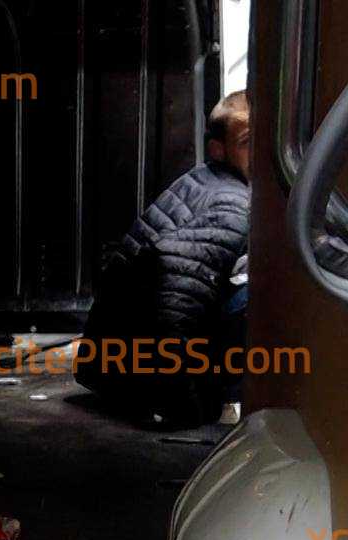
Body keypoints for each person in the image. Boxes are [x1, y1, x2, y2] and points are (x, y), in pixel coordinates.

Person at [76, 91, 251, 427]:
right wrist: (188, 408)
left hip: (113, 367)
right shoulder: (232, 204)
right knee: (267, 286)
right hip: (136, 380)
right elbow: (173, 312)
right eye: (246, 142)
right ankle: (232, 401)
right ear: (218, 150)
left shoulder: (208, 180)